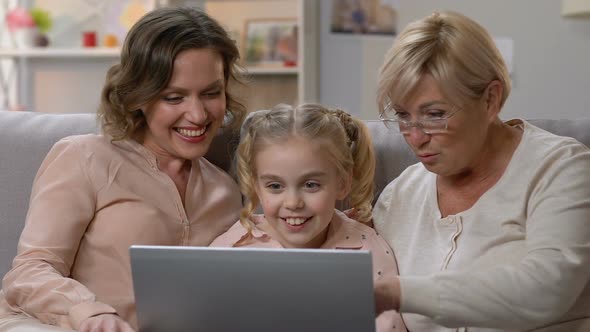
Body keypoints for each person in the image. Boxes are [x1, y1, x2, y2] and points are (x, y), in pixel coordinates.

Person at [0, 6, 245, 332]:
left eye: (211, 93)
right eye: (174, 97)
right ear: (138, 96)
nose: (198, 115)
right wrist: (88, 311)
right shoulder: (84, 157)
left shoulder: (226, 192)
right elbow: (30, 271)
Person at [372, 11, 590, 332]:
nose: (415, 137)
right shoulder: (399, 195)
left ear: (491, 99)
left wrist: (398, 292)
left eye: (435, 114)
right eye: (403, 115)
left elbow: (547, 290)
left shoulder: (561, 168)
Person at [211, 103, 408, 332]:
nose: (293, 202)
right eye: (275, 186)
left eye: (311, 185)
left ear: (342, 184)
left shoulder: (368, 250)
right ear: (256, 187)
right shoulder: (230, 249)